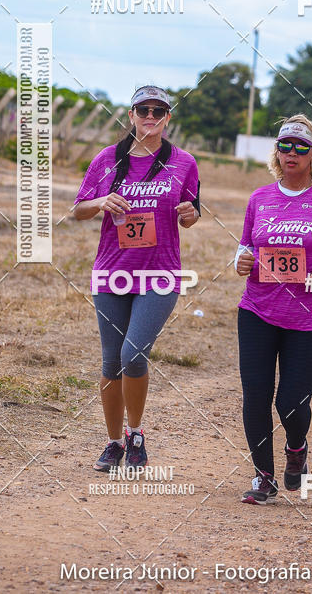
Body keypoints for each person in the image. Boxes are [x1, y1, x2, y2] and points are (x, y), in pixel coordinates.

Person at [73, 85, 200, 471]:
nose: (150, 116)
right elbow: (78, 209)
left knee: (134, 355)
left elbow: (192, 210)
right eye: (142, 109)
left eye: (158, 110)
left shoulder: (184, 163)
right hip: (112, 274)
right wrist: (99, 202)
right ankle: (113, 443)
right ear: (130, 115)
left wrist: (190, 215)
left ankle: (136, 434)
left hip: (159, 275)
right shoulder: (107, 159)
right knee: (111, 362)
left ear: (167, 118)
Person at [235, 115, 312, 504]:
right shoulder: (259, 198)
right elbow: (246, 246)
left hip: (308, 316)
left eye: (300, 147)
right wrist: (240, 258)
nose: (292, 153)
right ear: (277, 152)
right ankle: (263, 477)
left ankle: (296, 448)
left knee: (290, 401)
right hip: (257, 307)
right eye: (285, 145)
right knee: (256, 395)